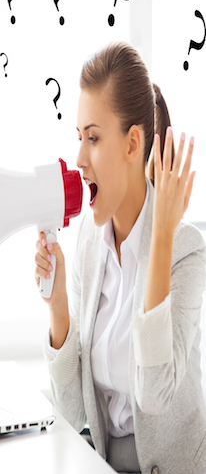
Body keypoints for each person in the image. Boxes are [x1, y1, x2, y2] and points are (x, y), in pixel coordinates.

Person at [34, 41, 206, 474]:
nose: (78, 160)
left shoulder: (185, 250)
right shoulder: (89, 246)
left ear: (133, 144)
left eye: (93, 138)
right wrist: (59, 310)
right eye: (79, 138)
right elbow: (74, 414)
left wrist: (163, 234)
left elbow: (153, 393)